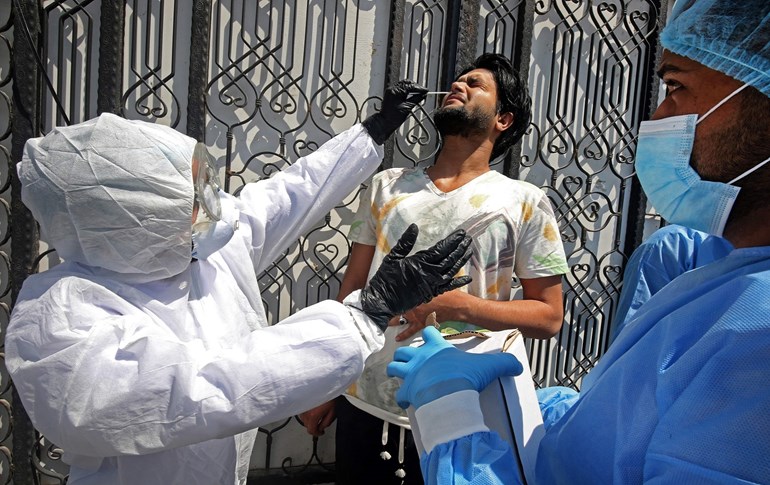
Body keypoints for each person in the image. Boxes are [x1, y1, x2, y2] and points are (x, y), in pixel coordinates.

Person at [4, 81, 478, 485]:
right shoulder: (61, 322)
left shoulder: (195, 247)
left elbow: (285, 196)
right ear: (131, 222)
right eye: (193, 196)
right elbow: (203, 387)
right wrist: (361, 314)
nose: (214, 202)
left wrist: (370, 134)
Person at [387, 0, 770, 483]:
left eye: (675, 87)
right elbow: (623, 423)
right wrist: (555, 412)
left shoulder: (758, 337)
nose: (657, 114)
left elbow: (548, 313)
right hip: (390, 389)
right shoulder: (715, 282)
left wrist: (451, 409)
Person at [300, 53, 568, 484]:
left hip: (460, 417)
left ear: (504, 119)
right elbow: (351, 287)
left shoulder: (525, 202)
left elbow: (548, 316)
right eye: (457, 81)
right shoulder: (387, 185)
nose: (458, 86)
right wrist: (328, 383)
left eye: (476, 84)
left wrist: (460, 306)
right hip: (367, 402)